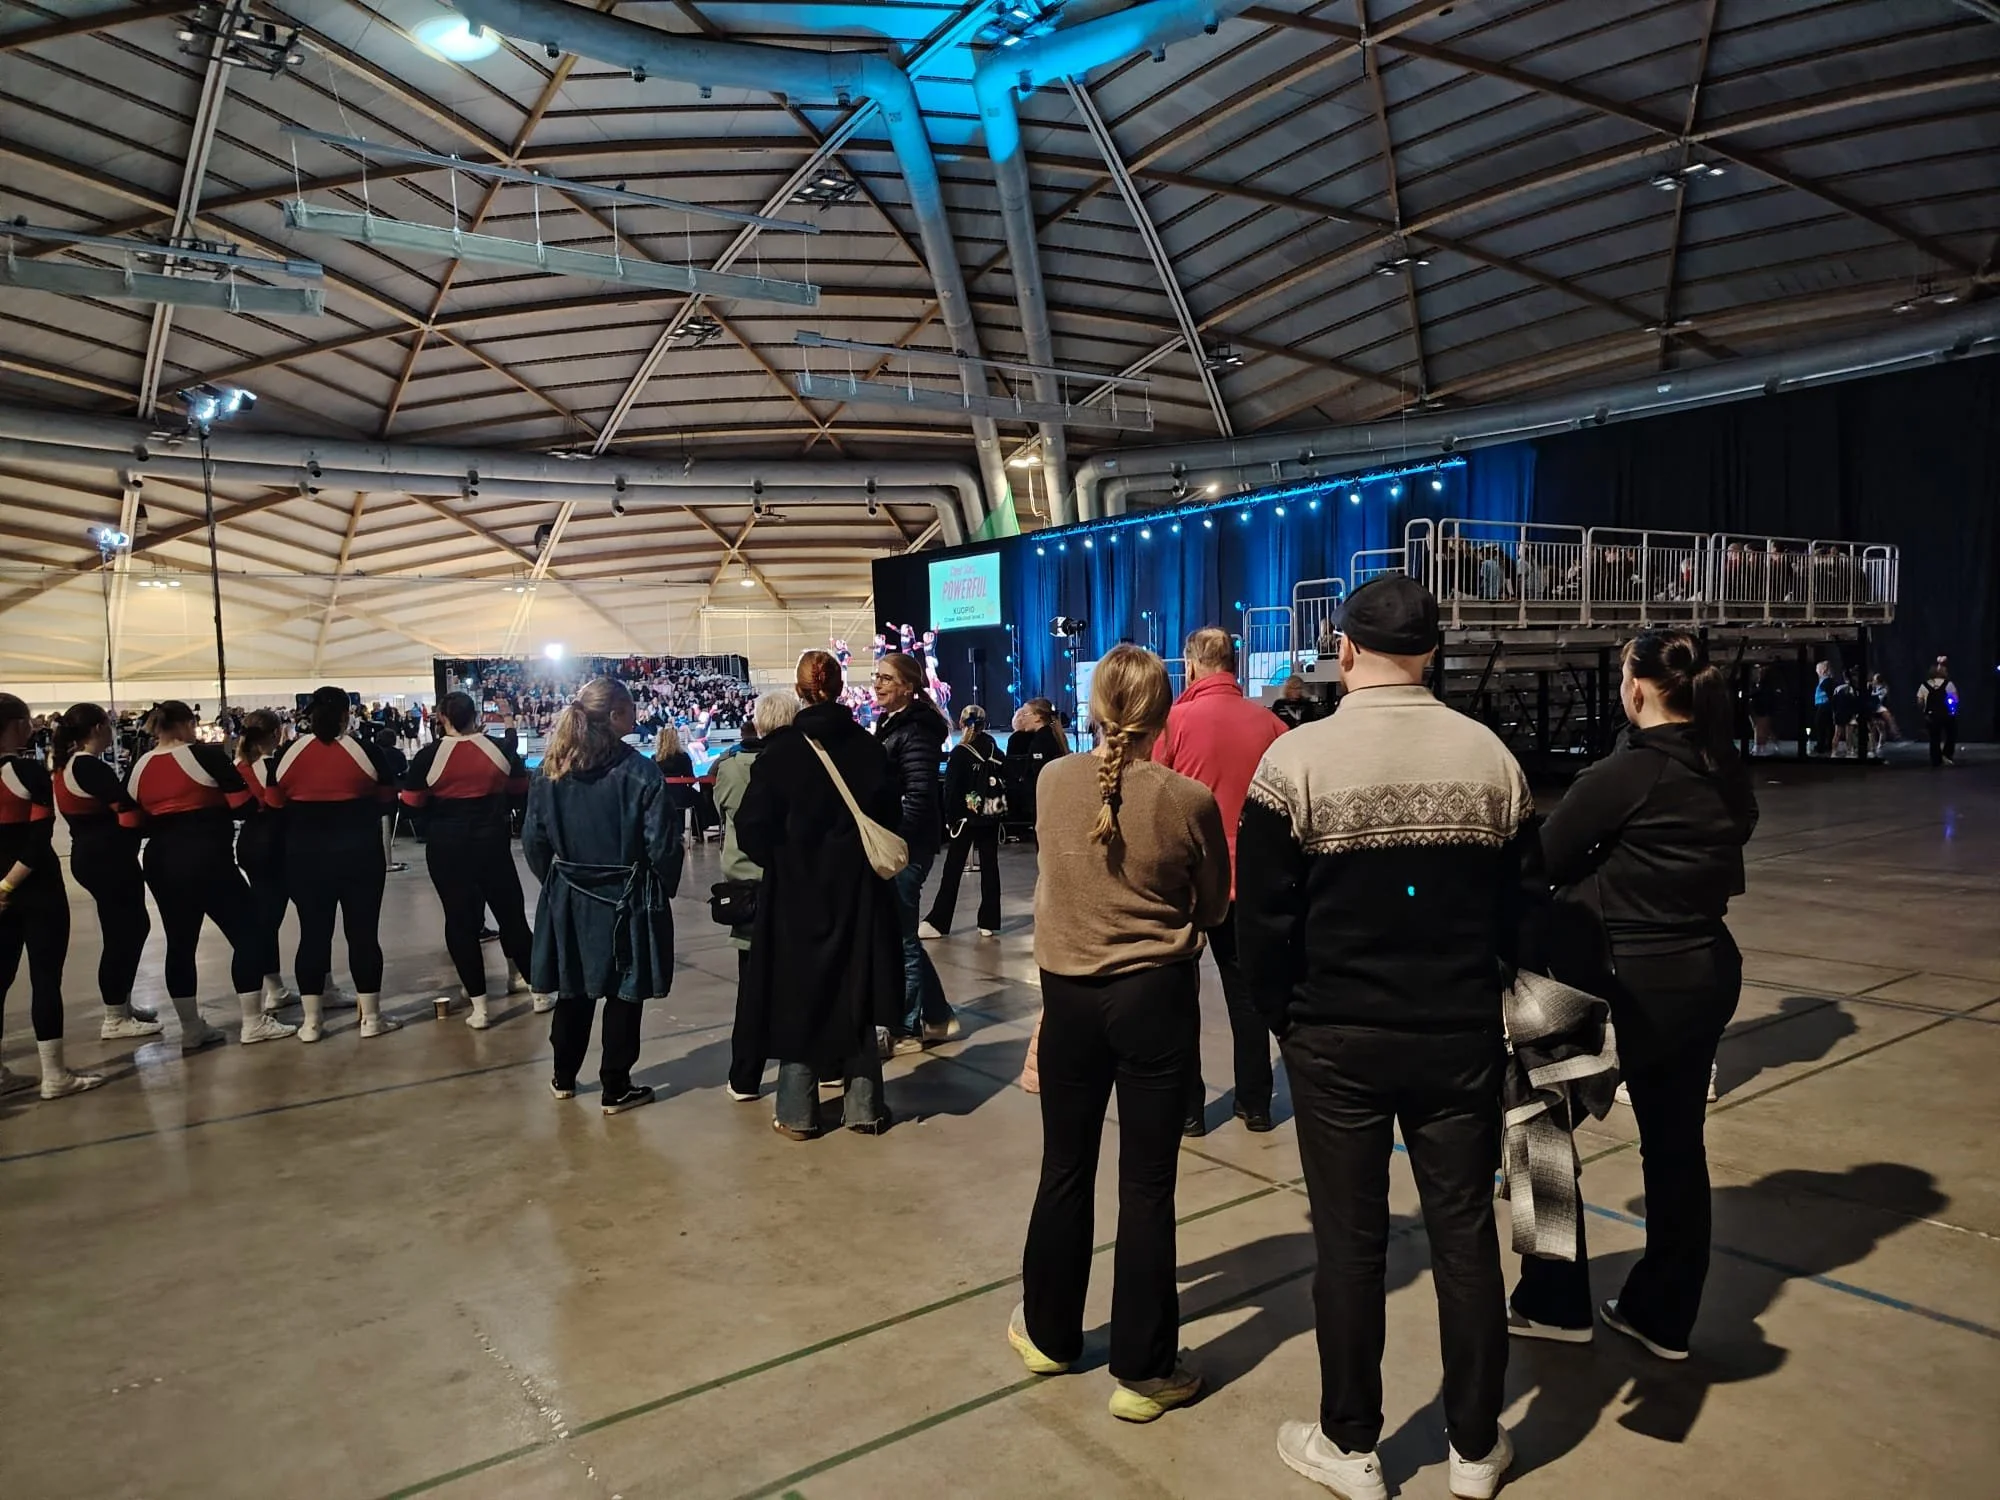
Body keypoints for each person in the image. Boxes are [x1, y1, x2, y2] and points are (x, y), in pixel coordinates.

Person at [1236, 576, 1532, 1500]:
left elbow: (1263, 923)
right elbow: (1524, 914)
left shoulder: (1296, 762)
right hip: (1457, 1036)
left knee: (1351, 1245)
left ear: (1344, 648)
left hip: (1337, 1041)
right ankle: (1477, 1450)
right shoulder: (1492, 759)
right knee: (1465, 1237)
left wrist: (1288, 1019)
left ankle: (1352, 1445)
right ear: (1433, 653)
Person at [1509, 631, 1758, 1363]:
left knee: (1538, 1127)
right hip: (1703, 976)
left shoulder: (1628, 774)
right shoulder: (1724, 769)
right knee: (1676, 1148)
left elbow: (1541, 864)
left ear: (1638, 689)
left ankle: (1553, 1299)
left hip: (1610, 981)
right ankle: (1663, 1313)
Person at [1007, 645, 1230, 1423]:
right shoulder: (1187, 800)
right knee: (1147, 1186)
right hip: (1152, 1002)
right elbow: (1213, 909)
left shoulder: (1051, 779)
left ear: (1096, 707)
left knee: (1064, 1166)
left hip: (1068, 999)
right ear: (1165, 712)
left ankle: (1047, 1333)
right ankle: (1144, 1370)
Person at [735, 651, 899, 1138]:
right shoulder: (869, 748)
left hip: (796, 894)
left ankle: (798, 1112)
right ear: (842, 687)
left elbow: (751, 829)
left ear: (799, 689)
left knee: (798, 995)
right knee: (858, 991)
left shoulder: (780, 753)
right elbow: (892, 816)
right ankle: (865, 1107)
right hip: (859, 893)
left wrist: (787, 861)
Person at [523, 677, 682, 1115]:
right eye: (631, 708)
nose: (637, 715)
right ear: (615, 715)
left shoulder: (549, 771)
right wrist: (662, 887)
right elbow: (662, 845)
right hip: (625, 898)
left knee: (572, 988)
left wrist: (558, 883)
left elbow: (533, 840)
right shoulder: (641, 772)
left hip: (570, 898)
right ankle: (616, 1085)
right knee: (624, 992)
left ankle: (563, 1076)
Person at [1156, 627, 1287, 1136]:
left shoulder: (1173, 724)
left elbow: (1154, 801)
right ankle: (1255, 1102)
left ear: (1189, 665)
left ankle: (1189, 1111)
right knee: (1247, 998)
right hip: (1249, 884)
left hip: (1187, 886)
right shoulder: (1271, 725)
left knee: (1179, 1000)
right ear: (1235, 663)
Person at [126, 701, 294, 1048]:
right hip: (207, 856)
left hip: (160, 859)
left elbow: (130, 823)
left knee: (180, 943)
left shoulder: (139, 765)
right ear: (188, 723)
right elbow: (244, 807)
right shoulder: (206, 756)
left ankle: (191, 1029)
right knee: (249, 933)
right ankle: (253, 1021)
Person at [263, 688, 403, 1043]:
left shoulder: (286, 754)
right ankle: (371, 1018)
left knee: (312, 935)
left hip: (305, 857)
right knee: (363, 934)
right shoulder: (367, 751)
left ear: (308, 715)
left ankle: (312, 1023)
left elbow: (273, 804)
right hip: (360, 854)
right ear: (348, 714)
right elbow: (388, 802)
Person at [400, 692, 536, 1030]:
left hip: (447, 845)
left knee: (460, 922)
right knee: (511, 914)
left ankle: (479, 1006)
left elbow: (412, 805)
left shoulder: (429, 755)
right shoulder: (500, 750)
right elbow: (521, 791)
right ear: (476, 716)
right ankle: (537, 989)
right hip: (492, 841)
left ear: (442, 718)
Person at [0, 693, 105, 1099]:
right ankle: (54, 1075)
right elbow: (39, 840)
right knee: (46, 979)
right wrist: (10, 884)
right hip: (35, 889)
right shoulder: (27, 771)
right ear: (20, 726)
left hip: (2, 896)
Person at [49, 703, 160, 1039]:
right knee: (124, 932)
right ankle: (114, 1016)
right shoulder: (87, 767)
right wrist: (142, 832)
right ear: (98, 728)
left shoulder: (67, 764)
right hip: (106, 857)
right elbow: (126, 811)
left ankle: (121, 1004)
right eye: (109, 724)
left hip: (92, 855)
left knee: (127, 929)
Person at [714, 689, 801, 1101]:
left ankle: (744, 1076)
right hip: (789, 887)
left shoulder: (730, 768)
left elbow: (723, 812)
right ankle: (815, 1070)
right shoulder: (801, 765)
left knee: (750, 989)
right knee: (800, 983)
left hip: (746, 887)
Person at [873, 651, 956, 1052]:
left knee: (903, 937)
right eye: (877, 677)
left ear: (908, 685)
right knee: (901, 933)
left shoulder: (916, 731)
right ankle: (937, 1016)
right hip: (901, 842)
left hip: (907, 847)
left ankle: (908, 1029)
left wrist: (896, 841)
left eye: (887, 678)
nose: (878, 684)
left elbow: (918, 794)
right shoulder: (890, 725)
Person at [232, 710, 300, 1017]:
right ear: (276, 733)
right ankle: (319, 986)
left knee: (266, 919)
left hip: (250, 843)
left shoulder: (238, 765)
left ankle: (275, 988)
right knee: (310, 915)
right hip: (279, 842)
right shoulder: (274, 765)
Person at [921, 704, 1006, 939]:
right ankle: (988, 921)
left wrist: (949, 819)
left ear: (961, 723)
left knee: (952, 870)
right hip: (990, 815)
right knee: (990, 868)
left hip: (964, 819)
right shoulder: (993, 749)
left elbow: (950, 789)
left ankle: (939, 922)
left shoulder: (960, 752)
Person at [1006, 698, 1068, 829]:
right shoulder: (1050, 736)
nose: (1022, 719)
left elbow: (1039, 773)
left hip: (1043, 802)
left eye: (1026, 714)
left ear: (1037, 718)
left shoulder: (1042, 741)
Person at [1918, 657, 1958, 767]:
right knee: (1951, 735)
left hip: (1931, 715)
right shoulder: (1949, 684)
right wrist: (1953, 711)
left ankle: (1936, 759)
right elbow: (1954, 699)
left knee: (1934, 738)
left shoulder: (1924, 685)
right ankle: (1947, 755)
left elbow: (1920, 701)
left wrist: (1924, 711)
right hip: (1946, 715)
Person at [1747, 663, 1777, 756]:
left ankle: (1759, 747)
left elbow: (1760, 693)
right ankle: (1761, 746)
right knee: (1758, 727)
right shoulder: (1757, 684)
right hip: (1757, 707)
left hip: (1761, 707)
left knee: (1759, 727)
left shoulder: (1765, 685)